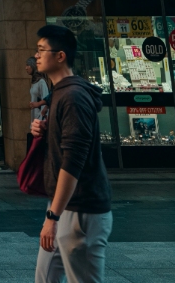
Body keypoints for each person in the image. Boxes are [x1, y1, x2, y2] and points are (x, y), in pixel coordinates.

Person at [29, 24, 112, 283]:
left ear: (61, 56)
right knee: (45, 278)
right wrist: (43, 131)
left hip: (81, 210)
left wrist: (53, 217)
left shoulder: (73, 97)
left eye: (42, 50)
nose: (37, 56)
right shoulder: (60, 94)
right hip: (63, 205)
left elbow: (73, 161)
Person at [28, 56, 49, 150]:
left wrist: (42, 119)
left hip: (40, 119)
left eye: (28, 65)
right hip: (35, 118)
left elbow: (46, 100)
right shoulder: (34, 82)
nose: (26, 68)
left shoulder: (41, 82)